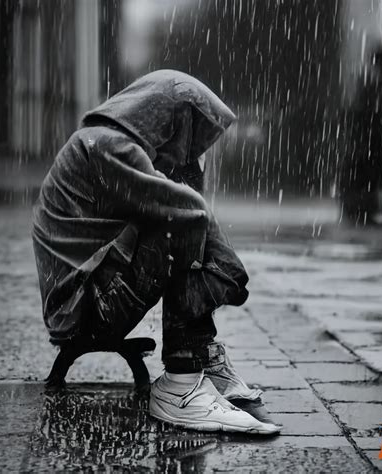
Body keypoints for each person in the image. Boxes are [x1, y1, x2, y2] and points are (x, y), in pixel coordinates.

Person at [32, 69, 281, 434]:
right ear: (168, 114)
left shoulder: (105, 141)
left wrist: (185, 175)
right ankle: (181, 383)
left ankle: (202, 355)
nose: (191, 147)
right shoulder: (107, 145)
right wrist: (225, 271)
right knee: (177, 223)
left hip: (87, 297)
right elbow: (186, 213)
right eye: (192, 133)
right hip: (81, 308)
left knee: (181, 217)